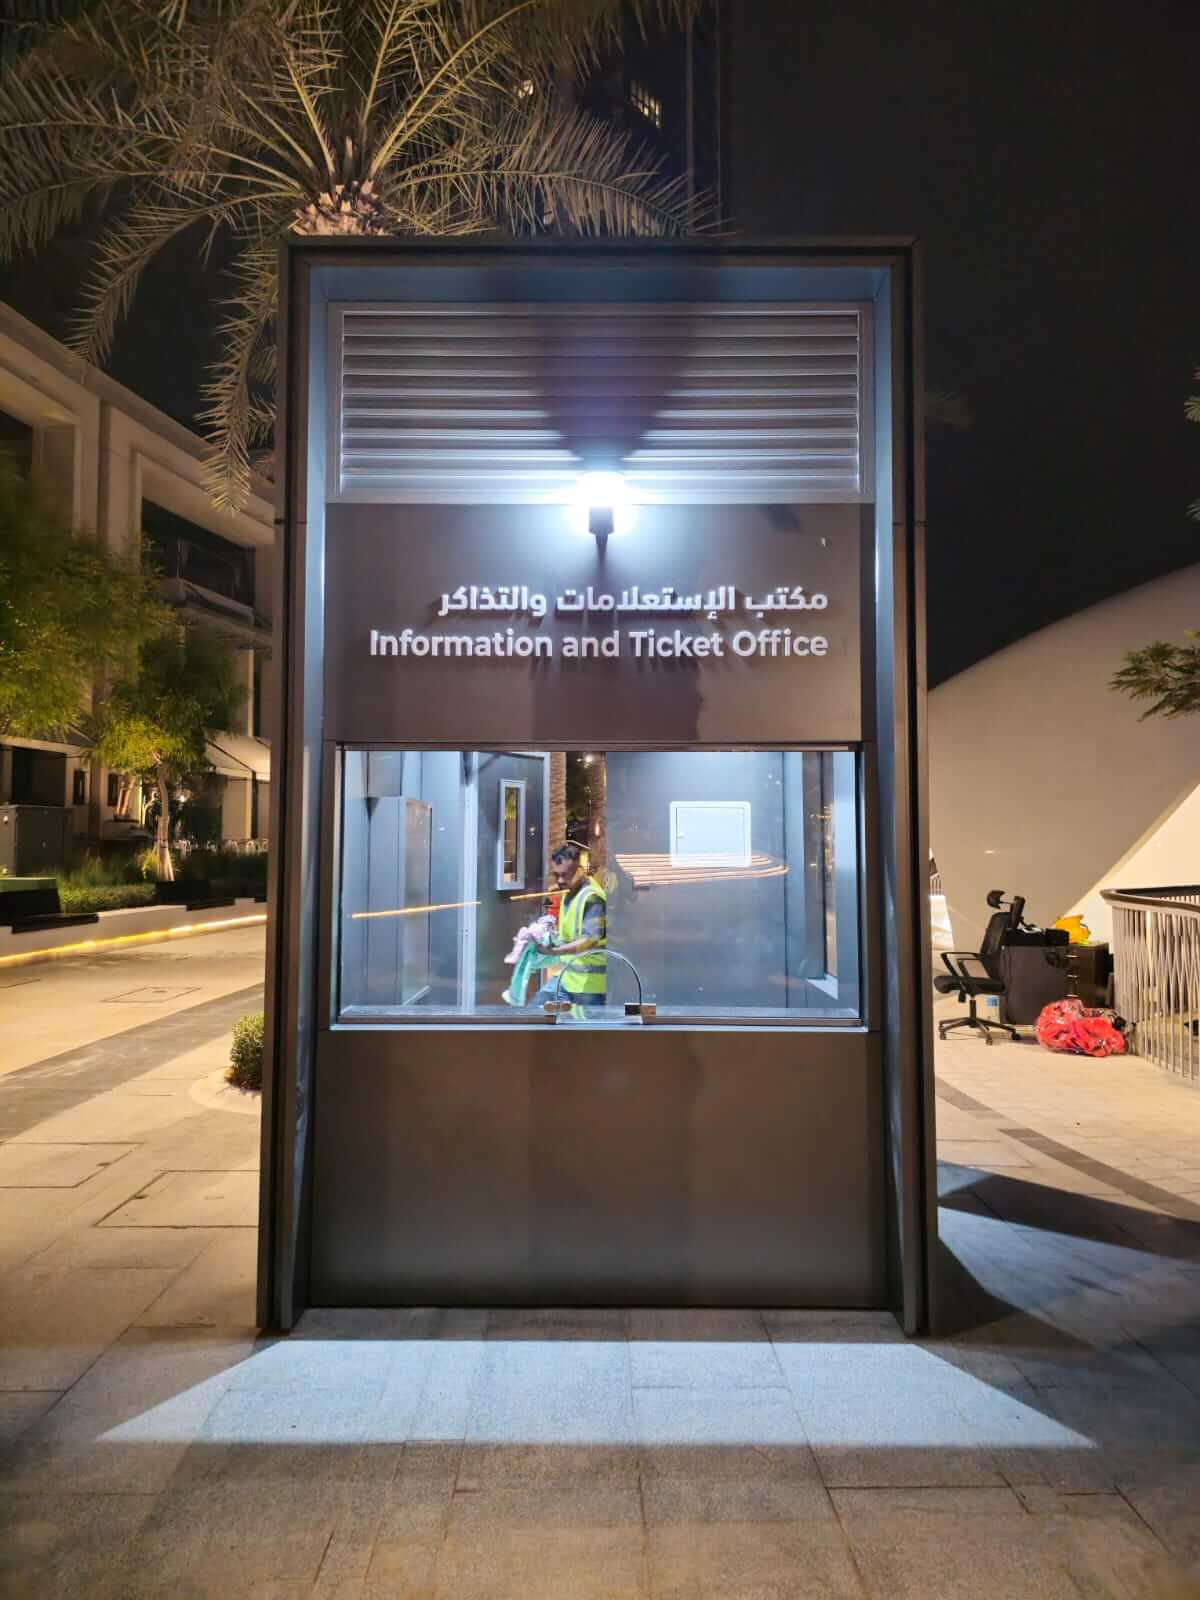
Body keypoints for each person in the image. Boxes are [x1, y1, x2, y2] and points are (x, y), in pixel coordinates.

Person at [529, 841, 607, 1009]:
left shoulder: (592, 897)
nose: (560, 880)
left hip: (589, 986)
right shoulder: (570, 891)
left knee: (580, 1026)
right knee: (536, 1010)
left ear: (580, 870)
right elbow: (569, 934)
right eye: (556, 875)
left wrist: (554, 951)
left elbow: (589, 940)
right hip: (568, 978)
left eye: (565, 875)